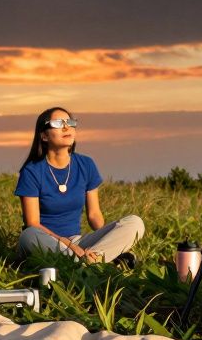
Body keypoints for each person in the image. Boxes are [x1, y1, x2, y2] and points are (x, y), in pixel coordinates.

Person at [15, 107, 145, 263]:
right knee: (28, 235)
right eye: (58, 123)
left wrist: (109, 239)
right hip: (47, 241)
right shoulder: (32, 171)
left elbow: (94, 215)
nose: (66, 127)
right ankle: (95, 261)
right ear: (44, 136)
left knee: (135, 222)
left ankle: (90, 260)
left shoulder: (86, 164)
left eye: (70, 122)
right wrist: (69, 245)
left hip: (78, 242)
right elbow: (33, 224)